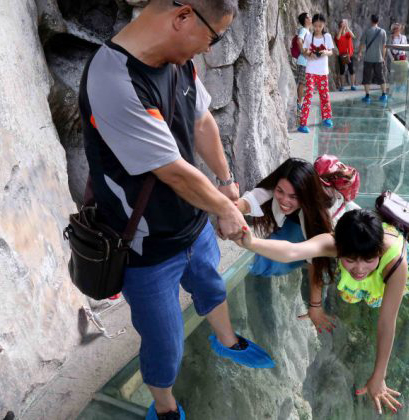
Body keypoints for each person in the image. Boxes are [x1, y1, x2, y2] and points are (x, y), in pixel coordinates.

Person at [78, 1, 274, 419]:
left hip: (193, 223)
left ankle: (227, 340)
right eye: (213, 37)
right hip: (145, 246)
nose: (209, 48)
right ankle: (165, 407)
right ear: (183, 16)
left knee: (211, 286)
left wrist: (226, 183)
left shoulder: (176, 60)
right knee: (165, 343)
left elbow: (201, 120)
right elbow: (173, 172)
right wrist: (227, 210)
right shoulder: (114, 79)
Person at [235, 209, 409, 415]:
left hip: (390, 266)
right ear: (338, 248)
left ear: (378, 252)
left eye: (368, 259)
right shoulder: (334, 243)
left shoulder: (396, 263)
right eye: (350, 260)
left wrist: (379, 375)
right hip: (359, 248)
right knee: (320, 259)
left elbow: (386, 322)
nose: (359, 269)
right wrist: (252, 243)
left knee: (379, 288)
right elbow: (293, 251)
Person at [236, 157, 360, 277]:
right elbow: (252, 199)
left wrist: (315, 298)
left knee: (281, 258)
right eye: (280, 191)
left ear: (306, 194)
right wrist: (229, 209)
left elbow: (305, 255)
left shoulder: (325, 212)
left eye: (293, 196)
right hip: (300, 219)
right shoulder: (289, 183)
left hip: (321, 226)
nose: (284, 200)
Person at [298, 13, 334, 134]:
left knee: (324, 95)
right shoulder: (309, 37)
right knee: (308, 96)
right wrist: (309, 54)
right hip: (311, 70)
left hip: (323, 71)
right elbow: (305, 50)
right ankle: (302, 123)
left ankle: (327, 118)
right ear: (312, 25)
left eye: (320, 26)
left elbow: (331, 52)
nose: (318, 28)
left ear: (324, 25)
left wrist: (325, 52)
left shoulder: (327, 36)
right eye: (316, 26)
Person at [358, 15, 388, 103]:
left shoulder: (367, 31)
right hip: (379, 58)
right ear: (378, 21)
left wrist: (360, 53)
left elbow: (362, 44)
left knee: (367, 77)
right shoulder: (383, 32)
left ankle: (367, 97)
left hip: (368, 58)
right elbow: (384, 46)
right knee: (381, 77)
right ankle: (384, 95)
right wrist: (383, 57)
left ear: (371, 21)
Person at [294, 13, 311, 112]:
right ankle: (299, 103)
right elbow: (299, 41)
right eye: (309, 17)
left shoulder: (307, 31)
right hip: (303, 61)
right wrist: (304, 52)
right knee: (302, 83)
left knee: (303, 83)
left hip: (306, 61)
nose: (311, 18)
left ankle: (300, 102)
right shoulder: (304, 30)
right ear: (305, 20)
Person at [334, 19, 356, 91]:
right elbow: (338, 38)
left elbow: (353, 36)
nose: (344, 24)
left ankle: (352, 85)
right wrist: (341, 28)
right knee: (342, 71)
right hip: (341, 55)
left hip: (349, 54)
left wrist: (347, 28)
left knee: (351, 70)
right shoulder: (338, 33)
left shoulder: (348, 33)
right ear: (340, 25)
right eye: (343, 23)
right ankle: (342, 86)